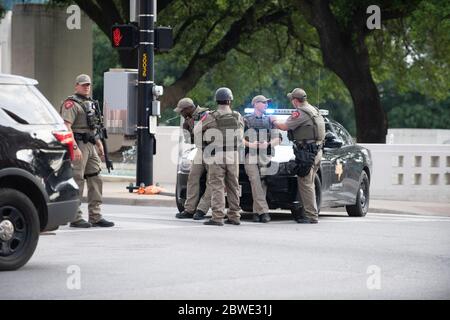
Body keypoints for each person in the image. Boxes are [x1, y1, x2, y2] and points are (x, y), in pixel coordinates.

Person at [59, 74, 114, 228]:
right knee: (78, 179)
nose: (86, 87)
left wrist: (98, 143)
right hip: (78, 143)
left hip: (90, 144)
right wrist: (74, 147)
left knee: (96, 177)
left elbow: (93, 126)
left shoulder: (90, 103)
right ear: (76, 86)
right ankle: (75, 217)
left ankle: (95, 216)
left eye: (88, 84)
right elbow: (66, 126)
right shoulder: (71, 104)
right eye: (83, 85)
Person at [271, 88, 325, 224]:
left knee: (305, 183)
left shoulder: (300, 113)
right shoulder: (313, 110)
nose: (292, 102)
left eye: (292, 100)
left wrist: (274, 121)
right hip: (316, 151)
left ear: (295, 100)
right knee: (309, 183)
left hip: (307, 152)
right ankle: (306, 212)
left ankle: (311, 215)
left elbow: (284, 127)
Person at [194, 88, 244, 226]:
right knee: (233, 185)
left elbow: (196, 130)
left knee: (217, 185)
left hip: (217, 154)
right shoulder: (237, 116)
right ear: (230, 100)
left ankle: (217, 217)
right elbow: (240, 135)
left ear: (217, 100)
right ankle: (235, 215)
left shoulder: (211, 116)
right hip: (233, 154)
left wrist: (203, 145)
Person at [243, 95, 281, 223]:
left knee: (263, 182)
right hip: (251, 155)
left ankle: (256, 212)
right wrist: (251, 144)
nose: (266, 105)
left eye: (267, 103)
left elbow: (278, 139)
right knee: (255, 181)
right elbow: (239, 138)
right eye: (264, 103)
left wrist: (268, 144)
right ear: (255, 104)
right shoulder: (246, 120)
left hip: (266, 155)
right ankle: (264, 211)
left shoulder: (271, 120)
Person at [174, 98, 211, 220]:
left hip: (212, 151)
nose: (181, 114)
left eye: (182, 111)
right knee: (192, 177)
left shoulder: (206, 115)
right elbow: (190, 142)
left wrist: (194, 128)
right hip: (200, 150)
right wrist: (186, 129)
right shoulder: (188, 119)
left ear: (189, 109)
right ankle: (189, 209)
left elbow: (211, 136)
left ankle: (202, 209)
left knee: (211, 182)